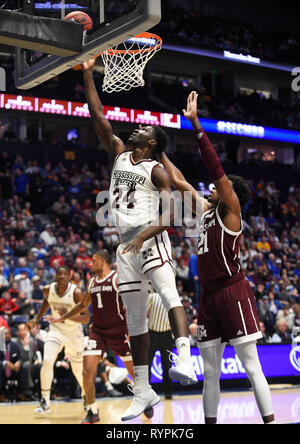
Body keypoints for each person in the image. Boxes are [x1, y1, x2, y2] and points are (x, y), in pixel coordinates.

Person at [82, 58, 197, 422]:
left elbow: (170, 215)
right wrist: (87, 71)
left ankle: (183, 356)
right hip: (125, 247)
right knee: (135, 320)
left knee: (169, 295)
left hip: (149, 238)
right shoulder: (118, 153)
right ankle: (143, 389)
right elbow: (97, 114)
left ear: (151, 142)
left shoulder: (156, 169)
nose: (138, 128)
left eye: (145, 129)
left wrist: (145, 235)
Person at [155, 91, 275, 424]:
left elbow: (216, 168)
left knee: (252, 366)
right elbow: (178, 182)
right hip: (209, 296)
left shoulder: (232, 212)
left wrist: (195, 124)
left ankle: (271, 421)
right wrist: (159, 152)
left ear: (229, 193)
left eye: (217, 187)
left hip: (234, 291)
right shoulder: (207, 211)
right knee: (210, 372)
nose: (210, 187)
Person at [47, 250, 152, 424]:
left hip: (119, 331)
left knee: (135, 372)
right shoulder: (91, 283)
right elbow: (83, 304)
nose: (89, 264)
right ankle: (93, 411)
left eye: (93, 261)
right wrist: (62, 317)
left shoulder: (118, 278)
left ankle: (145, 396)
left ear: (103, 262)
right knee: (86, 371)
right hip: (98, 332)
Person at [26, 265, 90, 414]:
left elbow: (86, 318)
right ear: (55, 276)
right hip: (56, 330)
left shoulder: (77, 292)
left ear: (69, 276)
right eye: (59, 274)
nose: (61, 277)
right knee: (47, 360)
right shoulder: (48, 289)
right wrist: (36, 319)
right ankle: (45, 400)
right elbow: (46, 302)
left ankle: (86, 396)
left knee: (78, 369)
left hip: (74, 333)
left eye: (64, 274)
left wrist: (65, 316)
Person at [147, 292, 174, 400]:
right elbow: (143, 310)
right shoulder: (153, 296)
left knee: (167, 366)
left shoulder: (172, 296)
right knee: (147, 364)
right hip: (152, 334)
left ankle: (168, 392)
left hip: (167, 335)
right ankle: (147, 392)